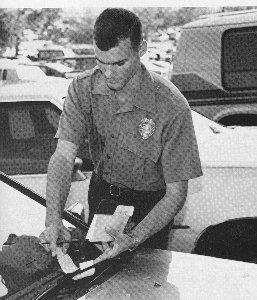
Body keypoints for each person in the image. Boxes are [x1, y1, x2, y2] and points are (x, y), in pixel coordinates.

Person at [41, 8, 202, 263]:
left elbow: (176, 194)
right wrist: (53, 220)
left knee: (144, 282)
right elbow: (63, 157)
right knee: (96, 278)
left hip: (151, 207)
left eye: (119, 63)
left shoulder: (172, 107)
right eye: (100, 62)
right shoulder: (82, 89)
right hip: (103, 194)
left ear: (142, 49)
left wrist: (135, 237)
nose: (108, 74)